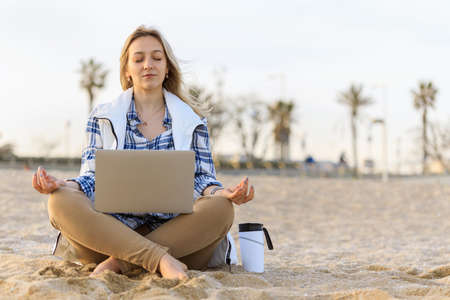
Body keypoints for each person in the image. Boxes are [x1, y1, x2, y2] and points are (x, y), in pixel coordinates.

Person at [31, 26, 255, 280]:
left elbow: (201, 178)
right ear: (127, 69)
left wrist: (221, 192)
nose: (148, 64)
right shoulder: (102, 116)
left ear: (167, 67)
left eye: (157, 58)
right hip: (111, 235)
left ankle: (119, 264)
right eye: (139, 59)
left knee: (223, 208)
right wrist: (64, 184)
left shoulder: (193, 121)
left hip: (178, 239)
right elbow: (94, 178)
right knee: (59, 200)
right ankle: (158, 260)